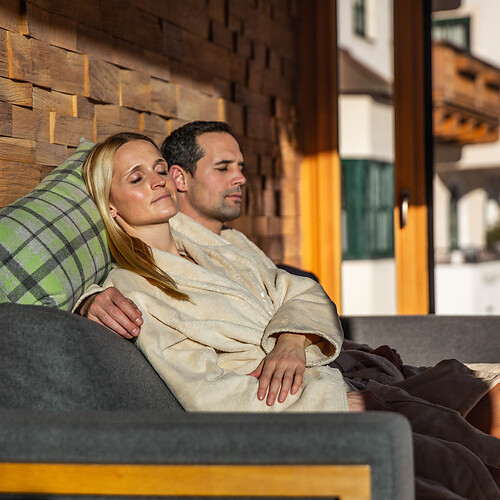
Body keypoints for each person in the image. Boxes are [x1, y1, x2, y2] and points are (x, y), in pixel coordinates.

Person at [79, 127, 500, 498]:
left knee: (466, 444)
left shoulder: (216, 245)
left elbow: (302, 290)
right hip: (297, 413)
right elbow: (206, 392)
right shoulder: (131, 290)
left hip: (327, 383)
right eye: (137, 178)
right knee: (457, 465)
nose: (157, 181)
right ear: (110, 207)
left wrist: (292, 339)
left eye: (158, 170)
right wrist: (334, 403)